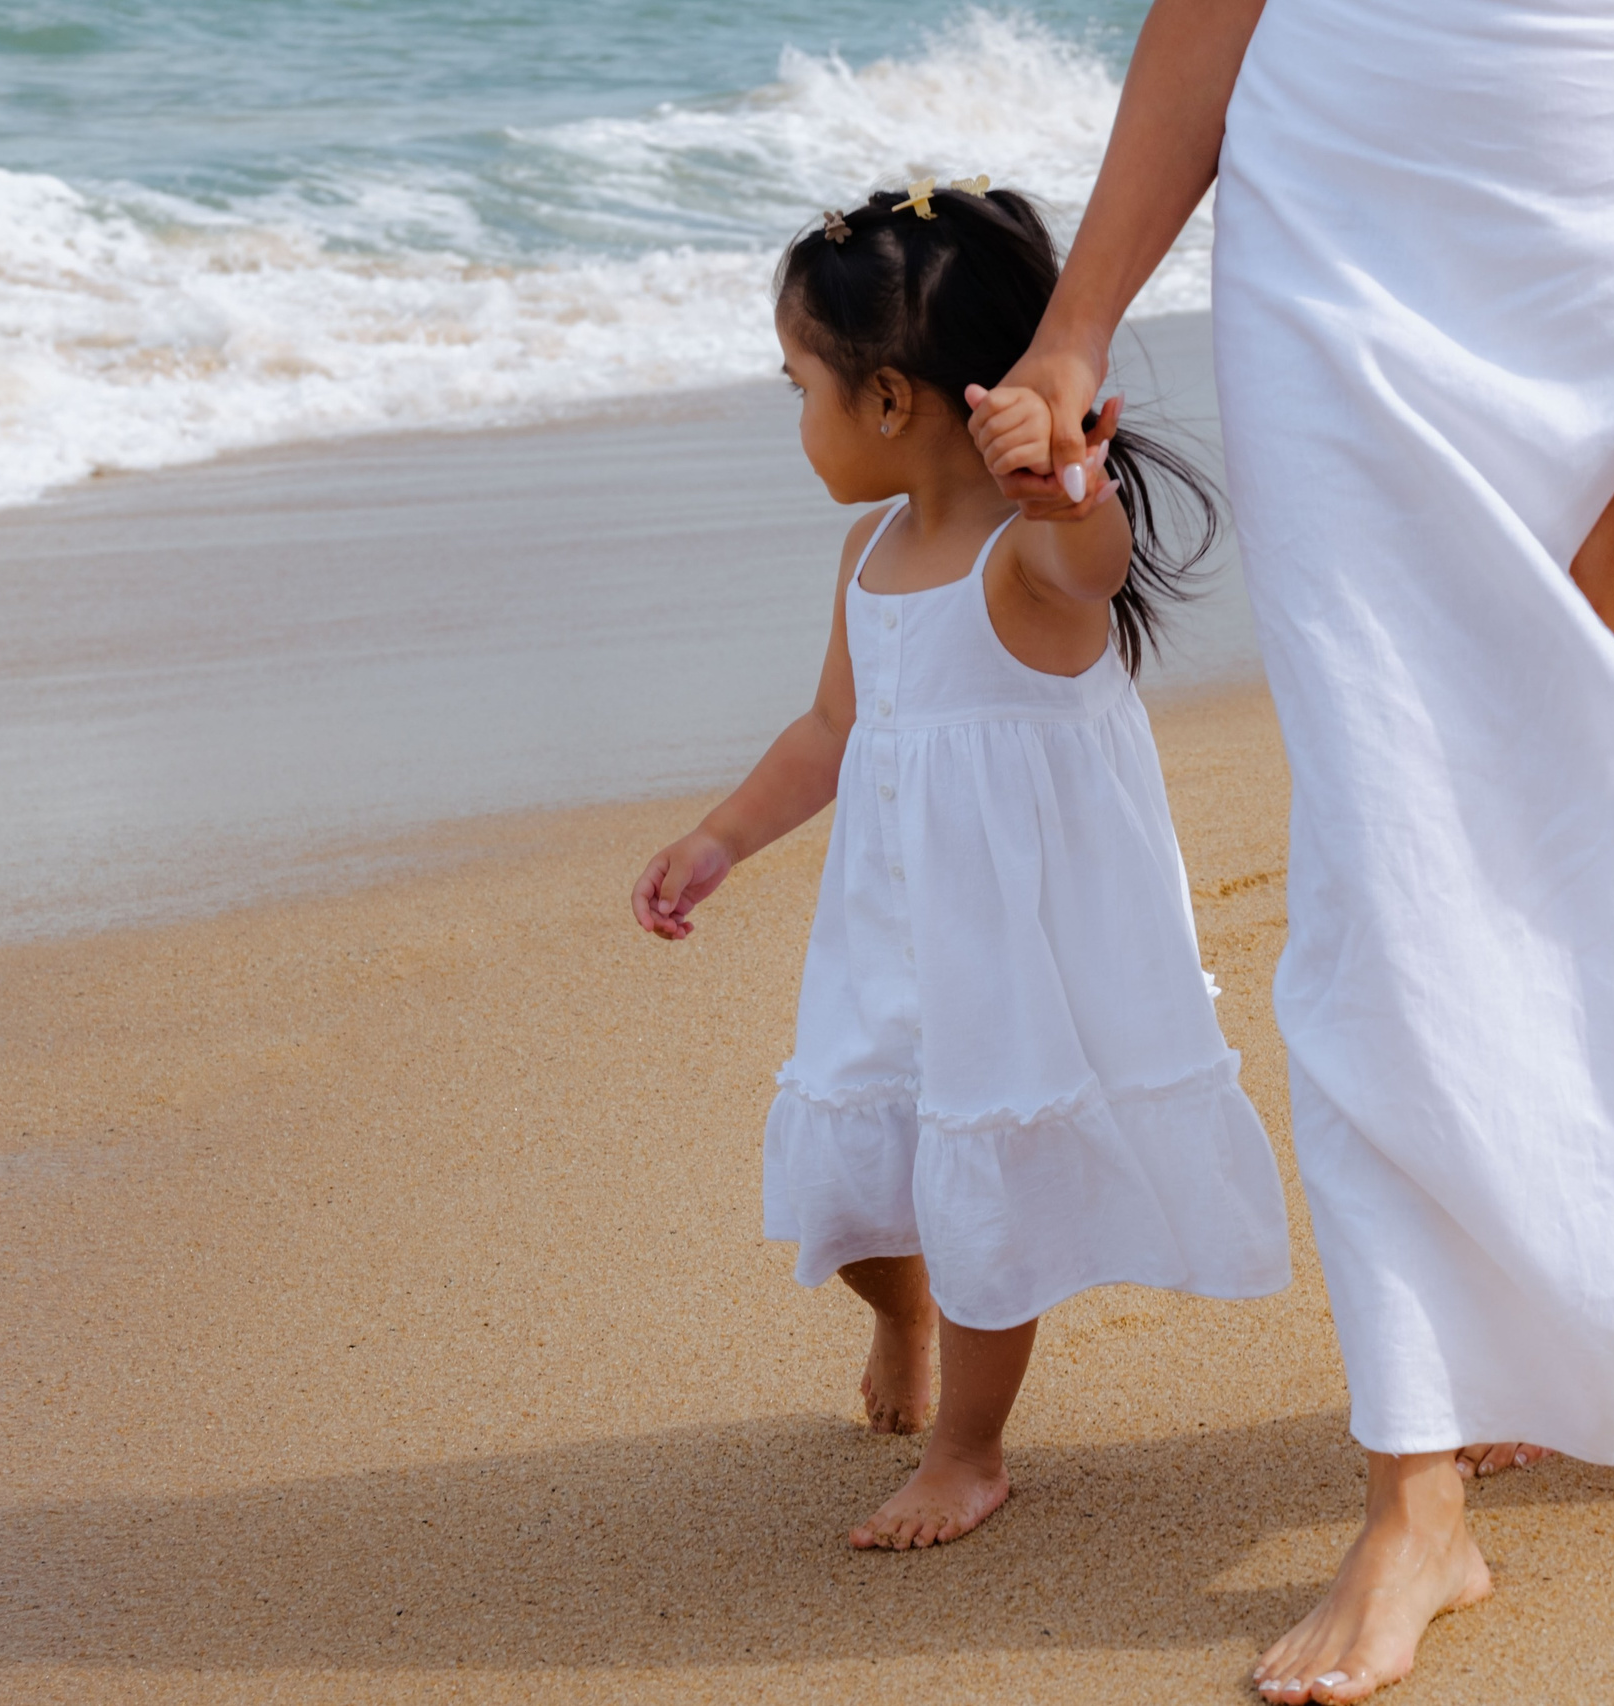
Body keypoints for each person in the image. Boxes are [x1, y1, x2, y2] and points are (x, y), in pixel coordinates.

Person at [966, 0, 1614, 1696]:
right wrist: (1075, 327)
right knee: (1389, 845)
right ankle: (1414, 1490)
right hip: (1334, 255)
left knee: (1569, 805)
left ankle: (1536, 1291)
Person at [632, 181, 1291, 1553]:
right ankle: (902, 1305)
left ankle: (972, 1449)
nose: (795, 417)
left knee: (988, 1172)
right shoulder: (868, 555)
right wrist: (721, 837)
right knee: (852, 1177)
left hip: (1018, 946)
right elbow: (831, 728)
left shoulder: (1025, 560)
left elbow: (1095, 563)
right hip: (892, 926)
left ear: (885, 403)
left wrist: (1071, 482)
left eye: (801, 385)